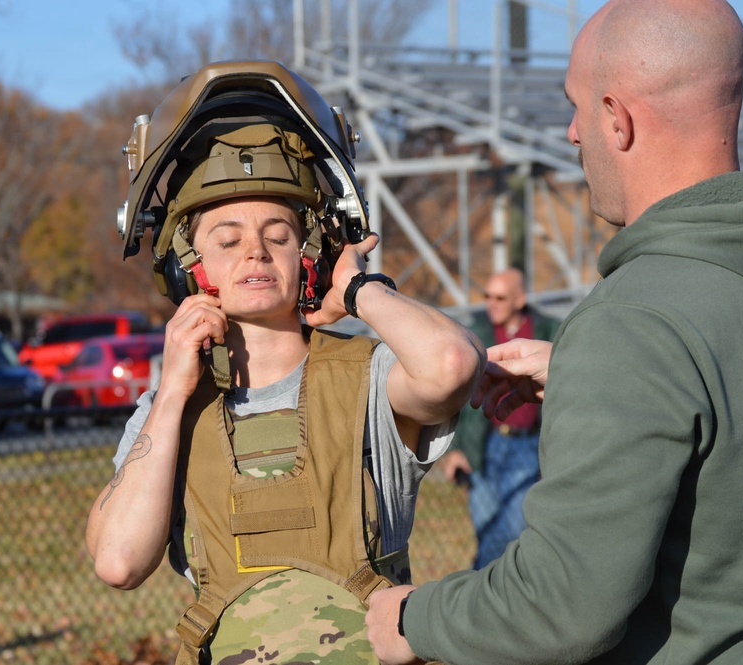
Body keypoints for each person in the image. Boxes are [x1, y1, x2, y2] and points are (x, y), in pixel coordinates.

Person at [366, 0, 743, 662]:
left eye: (577, 105)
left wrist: (413, 618)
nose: (571, 132)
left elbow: (561, 606)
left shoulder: (633, 323)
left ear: (618, 119)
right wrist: (585, 366)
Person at [84, 60, 485, 664]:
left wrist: (360, 293)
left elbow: (453, 364)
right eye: (227, 239)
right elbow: (118, 561)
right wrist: (170, 396)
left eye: (278, 234)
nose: (255, 250)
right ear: (189, 268)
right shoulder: (172, 413)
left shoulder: (368, 379)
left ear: (309, 258)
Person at [442, 268, 560, 569]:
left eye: (500, 297)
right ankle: (486, 590)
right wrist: (455, 448)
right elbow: (459, 395)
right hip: (486, 447)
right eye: (487, 296)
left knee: (511, 530)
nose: (491, 303)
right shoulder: (475, 334)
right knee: (486, 528)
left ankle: (482, 590)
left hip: (528, 447)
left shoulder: (547, 331)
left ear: (519, 300)